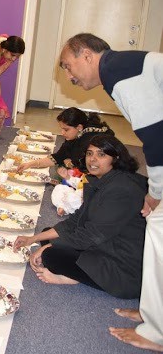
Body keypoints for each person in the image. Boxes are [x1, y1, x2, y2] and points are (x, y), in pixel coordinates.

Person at [56, 33, 163, 351]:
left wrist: (155, 192)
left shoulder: (122, 75)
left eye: (68, 65)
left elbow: (157, 139)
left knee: (158, 230)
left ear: (87, 55)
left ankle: (156, 332)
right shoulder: (124, 68)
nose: (69, 76)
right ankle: (151, 315)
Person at [13, 135, 147, 298]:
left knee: (50, 255)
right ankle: (72, 269)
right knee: (48, 233)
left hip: (123, 265)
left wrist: (49, 248)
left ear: (116, 158)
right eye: (90, 154)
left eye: (101, 154)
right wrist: (33, 239)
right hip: (106, 242)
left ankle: (72, 278)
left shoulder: (121, 190)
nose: (93, 159)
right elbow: (77, 220)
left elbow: (91, 235)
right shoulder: (102, 179)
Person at [15, 107, 113, 180]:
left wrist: (70, 163)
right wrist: (30, 164)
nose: (62, 133)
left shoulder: (90, 141)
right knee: (61, 166)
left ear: (79, 127)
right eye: (61, 129)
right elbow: (58, 157)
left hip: (103, 178)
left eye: (66, 129)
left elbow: (85, 170)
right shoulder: (76, 135)